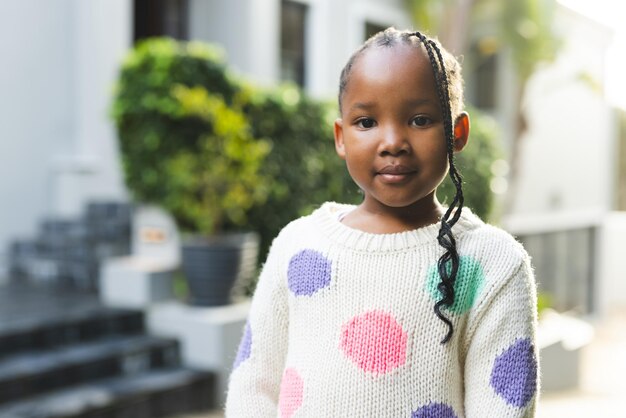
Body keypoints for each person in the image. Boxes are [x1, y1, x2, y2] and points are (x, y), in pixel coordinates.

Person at [225, 27, 539, 417]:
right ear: (341, 137)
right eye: (366, 122)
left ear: (458, 133)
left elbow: (503, 406)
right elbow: (253, 386)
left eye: (420, 119)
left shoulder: (494, 263)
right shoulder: (298, 246)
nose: (392, 141)